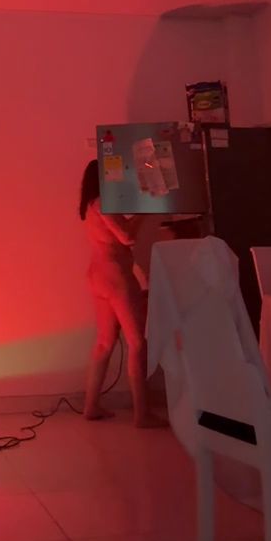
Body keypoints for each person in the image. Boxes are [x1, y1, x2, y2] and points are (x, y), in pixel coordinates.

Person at [79, 159, 163, 426]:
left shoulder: (91, 205)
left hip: (98, 275)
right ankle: (142, 414)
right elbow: (127, 237)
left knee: (105, 342)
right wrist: (144, 212)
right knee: (137, 343)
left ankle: (91, 406)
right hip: (115, 277)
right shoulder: (104, 201)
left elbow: (117, 231)